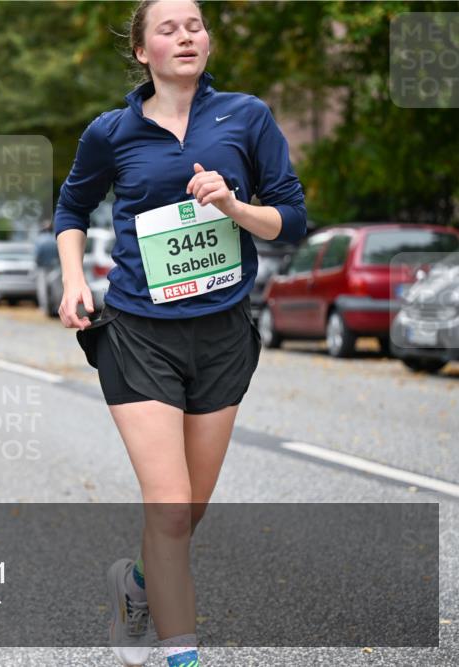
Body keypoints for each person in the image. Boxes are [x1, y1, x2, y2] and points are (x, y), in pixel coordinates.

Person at [54, 2, 308, 666]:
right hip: (139, 333)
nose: (186, 35)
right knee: (167, 509)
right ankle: (181, 656)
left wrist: (232, 205)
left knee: (188, 513)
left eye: (194, 24)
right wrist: (73, 278)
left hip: (222, 335)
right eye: (168, 28)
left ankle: (135, 584)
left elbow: (292, 220)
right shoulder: (111, 132)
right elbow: (72, 206)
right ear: (142, 52)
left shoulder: (246, 117)